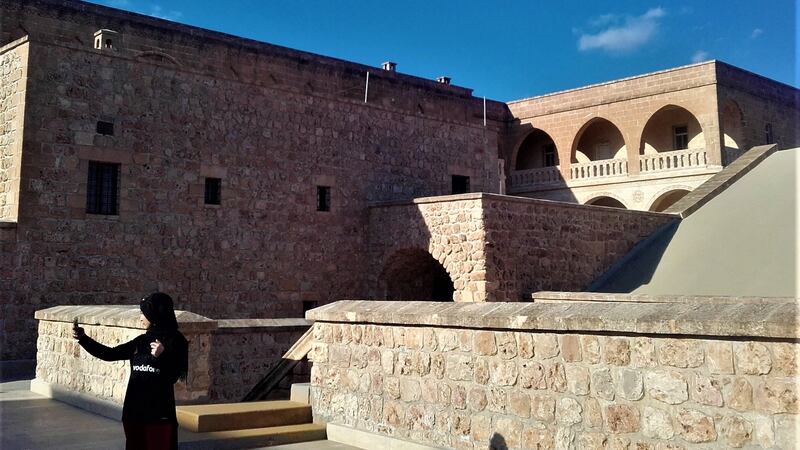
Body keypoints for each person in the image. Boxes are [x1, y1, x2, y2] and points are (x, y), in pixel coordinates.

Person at [73, 292, 189, 450]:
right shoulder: (141, 341)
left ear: (155, 314)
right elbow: (109, 354)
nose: (141, 317)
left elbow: (174, 376)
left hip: (158, 415)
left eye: (144, 313)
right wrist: (83, 339)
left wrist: (162, 356)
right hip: (134, 412)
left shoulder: (177, 341)